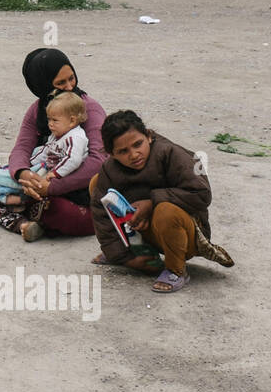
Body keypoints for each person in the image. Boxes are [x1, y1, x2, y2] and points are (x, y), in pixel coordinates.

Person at [90, 110, 235, 293]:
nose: (134, 154)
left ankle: (176, 270)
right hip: (141, 230)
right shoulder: (110, 169)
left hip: (183, 232)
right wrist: (123, 257)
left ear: (148, 136)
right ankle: (132, 250)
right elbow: (100, 213)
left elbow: (202, 194)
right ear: (111, 154)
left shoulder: (172, 154)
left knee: (165, 210)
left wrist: (151, 203)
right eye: (123, 151)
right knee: (97, 186)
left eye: (138, 144)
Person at [0, 48, 107, 241]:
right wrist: (23, 174)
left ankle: (4, 211)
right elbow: (21, 149)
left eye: (72, 78)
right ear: (42, 85)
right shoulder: (37, 111)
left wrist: (50, 187)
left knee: (63, 212)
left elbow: (98, 160)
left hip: (75, 192)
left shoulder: (88, 108)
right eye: (60, 83)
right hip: (37, 182)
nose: (70, 87)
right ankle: (23, 217)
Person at [0, 91, 88, 213]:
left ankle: (5, 191)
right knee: (33, 159)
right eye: (49, 119)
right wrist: (28, 166)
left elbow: (73, 159)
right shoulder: (56, 134)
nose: (50, 124)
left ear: (72, 121)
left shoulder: (75, 137)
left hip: (60, 177)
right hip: (48, 169)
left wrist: (56, 173)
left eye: (55, 120)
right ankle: (6, 194)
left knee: (0, 177)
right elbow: (45, 151)